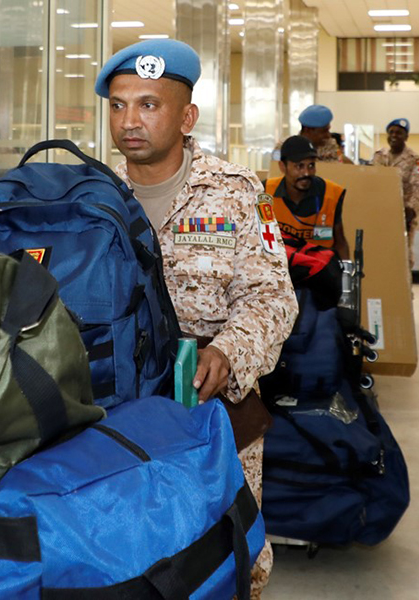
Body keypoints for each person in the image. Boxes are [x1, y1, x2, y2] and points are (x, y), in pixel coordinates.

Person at [96, 39, 298, 598]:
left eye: (148, 104)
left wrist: (227, 352)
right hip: (117, 421)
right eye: (117, 104)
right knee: (128, 562)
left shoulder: (237, 193)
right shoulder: (95, 198)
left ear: (187, 117)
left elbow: (272, 297)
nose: (129, 120)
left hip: (213, 418)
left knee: (229, 558)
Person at [264, 135, 350, 259]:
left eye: (311, 166)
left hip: (319, 271)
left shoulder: (331, 195)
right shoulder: (265, 192)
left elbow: (340, 242)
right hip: (277, 270)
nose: (306, 173)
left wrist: (346, 273)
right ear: (282, 166)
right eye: (299, 166)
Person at [372, 118, 419, 268]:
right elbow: (371, 182)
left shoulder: (413, 159)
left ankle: (403, 290)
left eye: (399, 133)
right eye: (391, 132)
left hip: (403, 216)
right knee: (378, 255)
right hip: (379, 214)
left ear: (406, 137)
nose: (394, 135)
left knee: (402, 258)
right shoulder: (379, 156)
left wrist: (410, 210)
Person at [273, 105, 354, 164]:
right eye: (324, 131)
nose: (328, 135)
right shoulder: (283, 146)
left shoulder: (329, 145)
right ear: (308, 130)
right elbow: (276, 171)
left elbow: (335, 171)